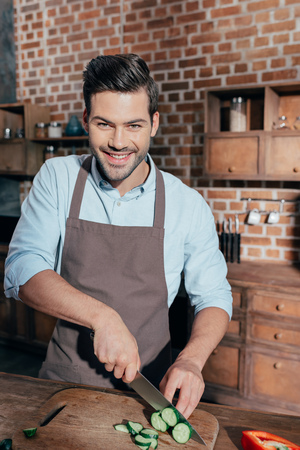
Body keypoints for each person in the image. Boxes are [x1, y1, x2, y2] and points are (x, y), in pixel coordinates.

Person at [4, 53, 232, 419]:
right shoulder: (58, 178)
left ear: (154, 124)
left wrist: (191, 360)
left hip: (152, 393)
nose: (118, 142)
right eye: (104, 124)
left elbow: (215, 296)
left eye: (134, 126)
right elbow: (21, 269)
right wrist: (102, 317)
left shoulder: (186, 204)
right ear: (85, 121)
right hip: (63, 389)